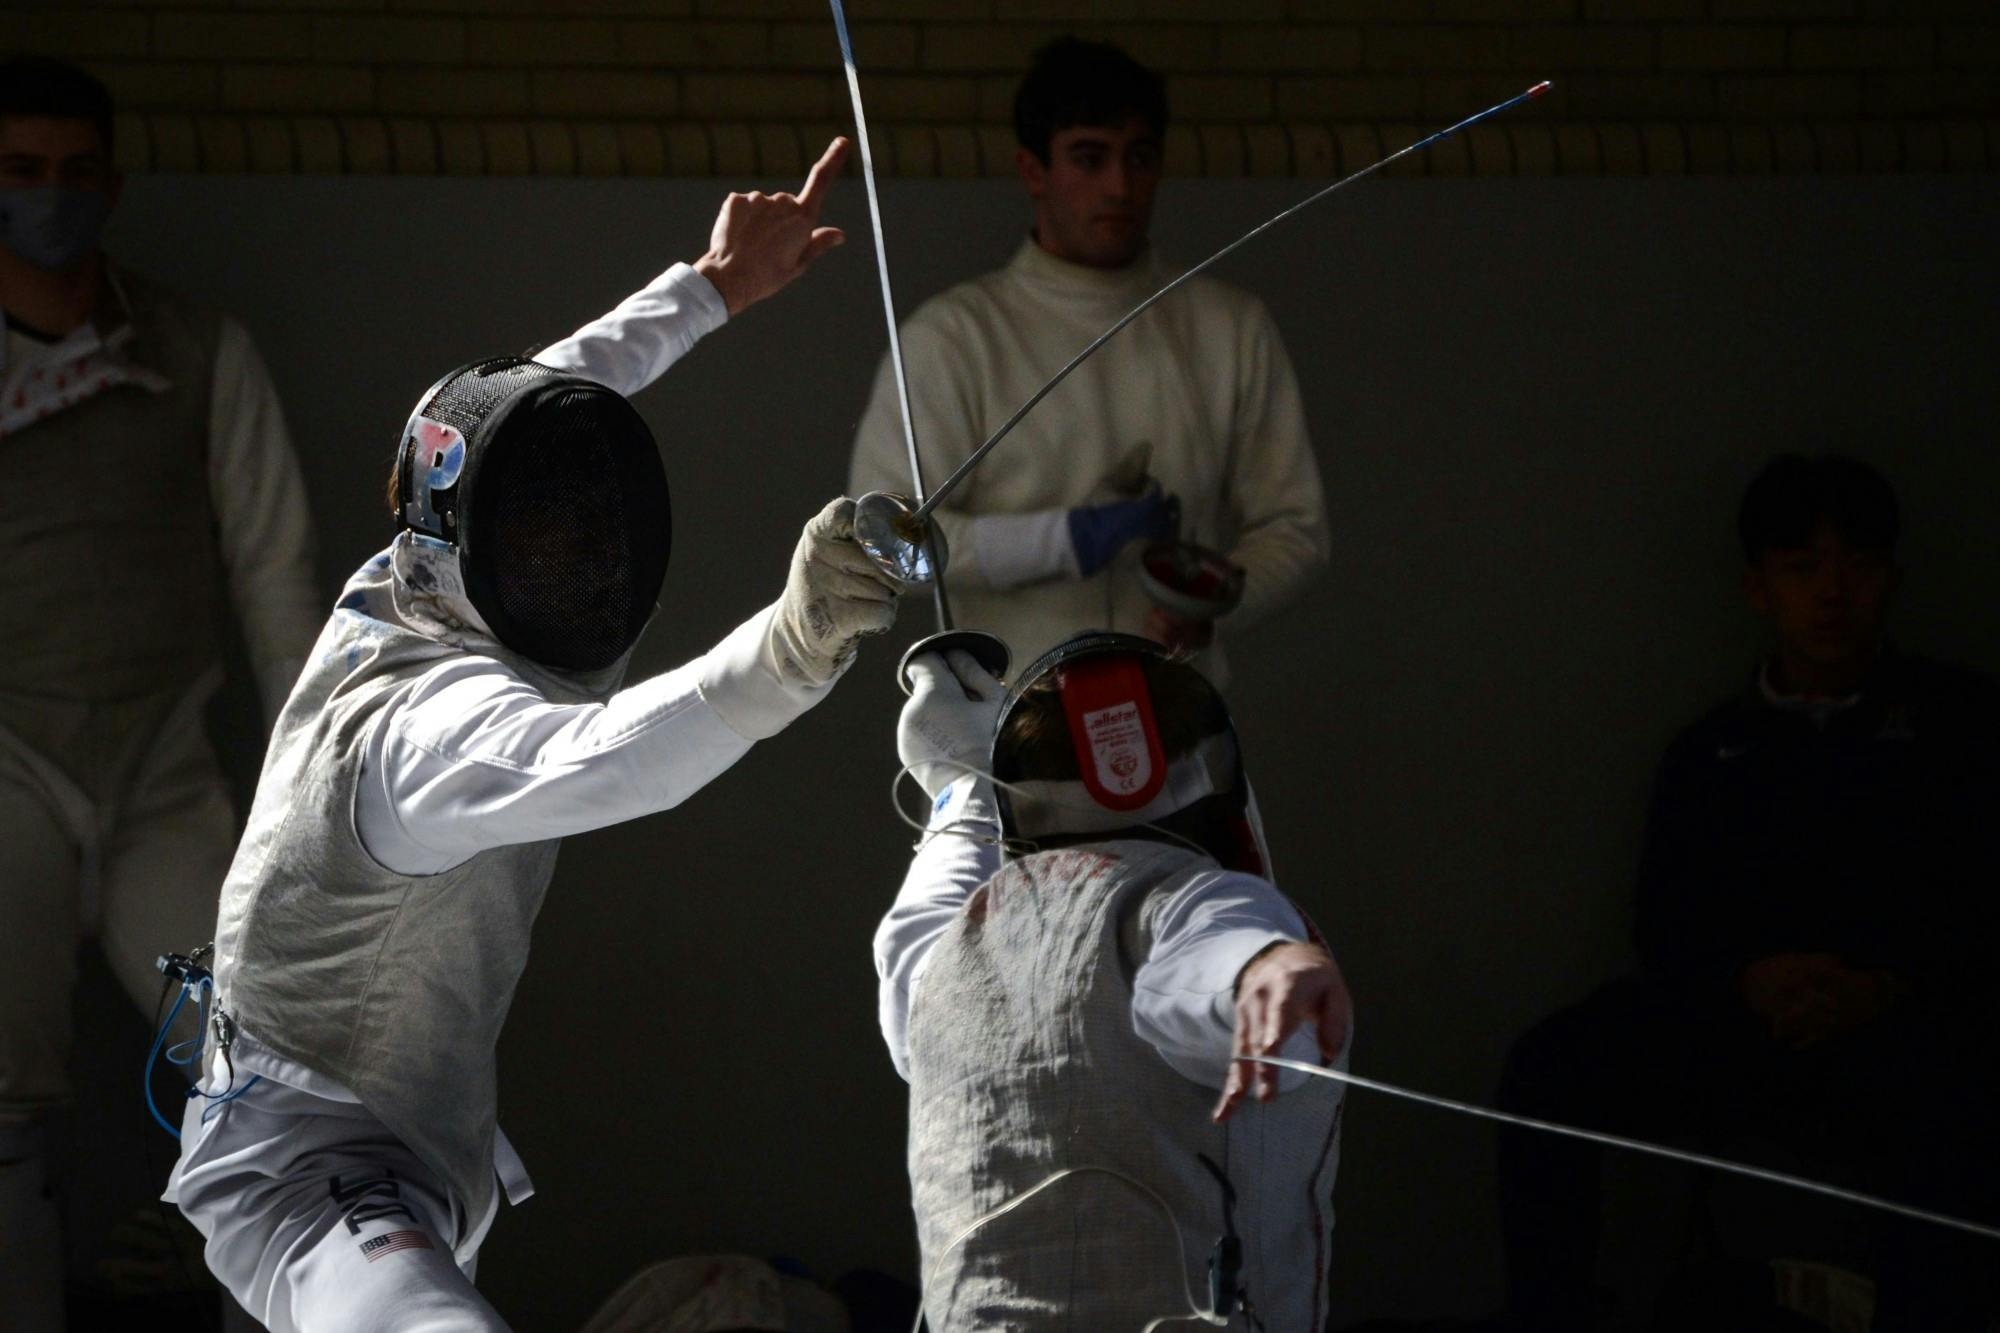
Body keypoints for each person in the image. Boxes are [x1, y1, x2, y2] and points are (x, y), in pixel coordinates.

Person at [164, 138, 903, 1331]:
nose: (589, 548)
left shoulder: (407, 560)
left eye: (590, 524)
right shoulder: (426, 733)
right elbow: (606, 755)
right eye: (554, 539)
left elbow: (540, 402)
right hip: (314, 1176)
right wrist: (789, 646)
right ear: (489, 553)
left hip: (350, 1119)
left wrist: (713, 285)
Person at [1493, 455, 2000, 1331]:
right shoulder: (1712, 749)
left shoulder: (1960, 725)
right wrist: (1747, 980)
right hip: (1738, 1026)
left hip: (1905, 1030)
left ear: (1892, 580)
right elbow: (1665, 922)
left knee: (1963, 1109)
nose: (1835, 594)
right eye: (1805, 569)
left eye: (1859, 568)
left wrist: (1883, 985)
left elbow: (1979, 906)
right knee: (1548, 1068)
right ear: (1760, 589)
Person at [0, 57, 320, 1327]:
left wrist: (315, 791)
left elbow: (274, 574)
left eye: (76, 173)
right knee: (5, 1110)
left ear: (114, 184)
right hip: (8, 771)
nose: (52, 198)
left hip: (161, 782)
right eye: (22, 172)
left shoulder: (197, 348)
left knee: (253, 1077)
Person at [877, 633, 1351, 1329]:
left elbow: (924, 914)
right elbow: (1202, 958)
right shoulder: (1192, 899)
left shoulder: (942, 954)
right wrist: (1264, 969)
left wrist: (964, 790)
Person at [846, 38, 1327, 681]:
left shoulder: (1229, 327)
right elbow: (884, 544)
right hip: (1004, 735)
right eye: (1090, 159)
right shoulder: (952, 339)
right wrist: (1062, 542)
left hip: (1182, 731)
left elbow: (1294, 528)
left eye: (1140, 158)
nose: (1120, 186)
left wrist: (1212, 607)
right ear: (1033, 170)